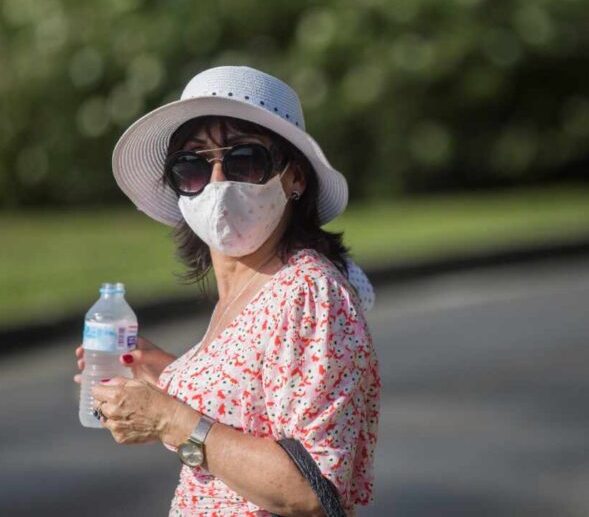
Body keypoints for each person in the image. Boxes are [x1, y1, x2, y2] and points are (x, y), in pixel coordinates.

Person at [73, 65, 381, 516]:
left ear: (294, 178)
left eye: (244, 161)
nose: (217, 182)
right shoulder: (247, 292)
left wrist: (167, 417)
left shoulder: (307, 293)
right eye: (193, 166)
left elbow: (314, 490)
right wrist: (166, 375)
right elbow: (247, 416)